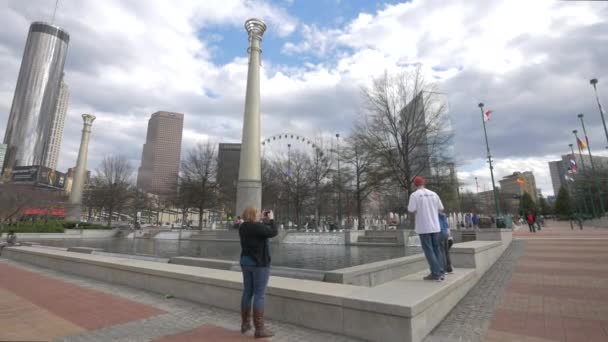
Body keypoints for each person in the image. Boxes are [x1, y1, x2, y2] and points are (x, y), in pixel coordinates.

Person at [239, 207, 277, 338]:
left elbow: (260, 229)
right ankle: (260, 329)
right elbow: (273, 232)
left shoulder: (243, 226)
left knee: (247, 291)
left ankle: (245, 324)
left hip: (245, 262)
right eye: (258, 213)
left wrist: (262, 220)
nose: (260, 214)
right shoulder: (257, 227)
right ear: (253, 215)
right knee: (259, 295)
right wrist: (271, 219)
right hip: (259, 264)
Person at [408, 176, 445, 282]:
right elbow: (441, 208)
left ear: (415, 185)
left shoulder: (414, 195)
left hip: (424, 226)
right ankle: (441, 271)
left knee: (429, 250)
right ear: (424, 183)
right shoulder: (434, 194)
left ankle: (435, 273)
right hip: (435, 226)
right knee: (436, 249)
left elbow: (411, 209)